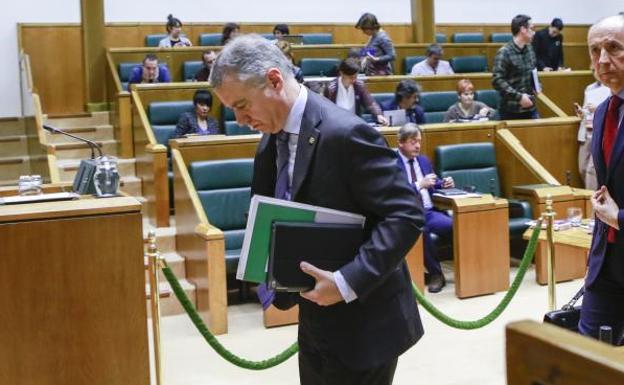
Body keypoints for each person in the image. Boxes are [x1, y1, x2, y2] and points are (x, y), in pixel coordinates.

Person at [209, 34, 425, 384]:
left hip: (365, 321)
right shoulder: (271, 137)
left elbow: (405, 214)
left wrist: (345, 282)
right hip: (314, 315)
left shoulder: (347, 134)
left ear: (275, 80)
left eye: (242, 105)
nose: (238, 119)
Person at [579, 14, 624, 346]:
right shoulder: (602, 110)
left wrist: (618, 218)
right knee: (588, 360)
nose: (603, 60)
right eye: (595, 50)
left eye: (614, 48)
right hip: (605, 265)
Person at [396, 123, 453, 293]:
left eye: (419, 141)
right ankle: (436, 274)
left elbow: (433, 185)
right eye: (413, 142)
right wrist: (419, 184)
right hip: (408, 214)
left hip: (428, 211)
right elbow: (395, 191)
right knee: (422, 231)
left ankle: (469, 270)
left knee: (456, 226)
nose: (418, 146)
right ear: (401, 143)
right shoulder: (392, 163)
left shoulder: (423, 160)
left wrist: (445, 183)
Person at [492, 14, 539, 120]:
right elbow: (497, 80)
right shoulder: (504, 52)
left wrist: (537, 85)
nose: (534, 32)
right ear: (523, 29)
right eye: (531, 28)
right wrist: (519, 97)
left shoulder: (530, 49)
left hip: (530, 107)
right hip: (510, 111)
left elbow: (532, 72)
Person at [324, 58, 388, 125]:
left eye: (355, 77)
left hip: (355, 125)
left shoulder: (359, 85)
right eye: (351, 77)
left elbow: (371, 104)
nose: (354, 80)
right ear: (342, 73)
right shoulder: (330, 88)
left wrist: (378, 115)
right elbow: (325, 111)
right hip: (335, 125)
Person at [574, 75, 610, 190]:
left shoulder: (612, 88)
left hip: (600, 133)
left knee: (592, 170)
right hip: (587, 132)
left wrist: (597, 109)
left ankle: (592, 199)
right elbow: (585, 111)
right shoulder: (590, 88)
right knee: (582, 168)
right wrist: (581, 111)